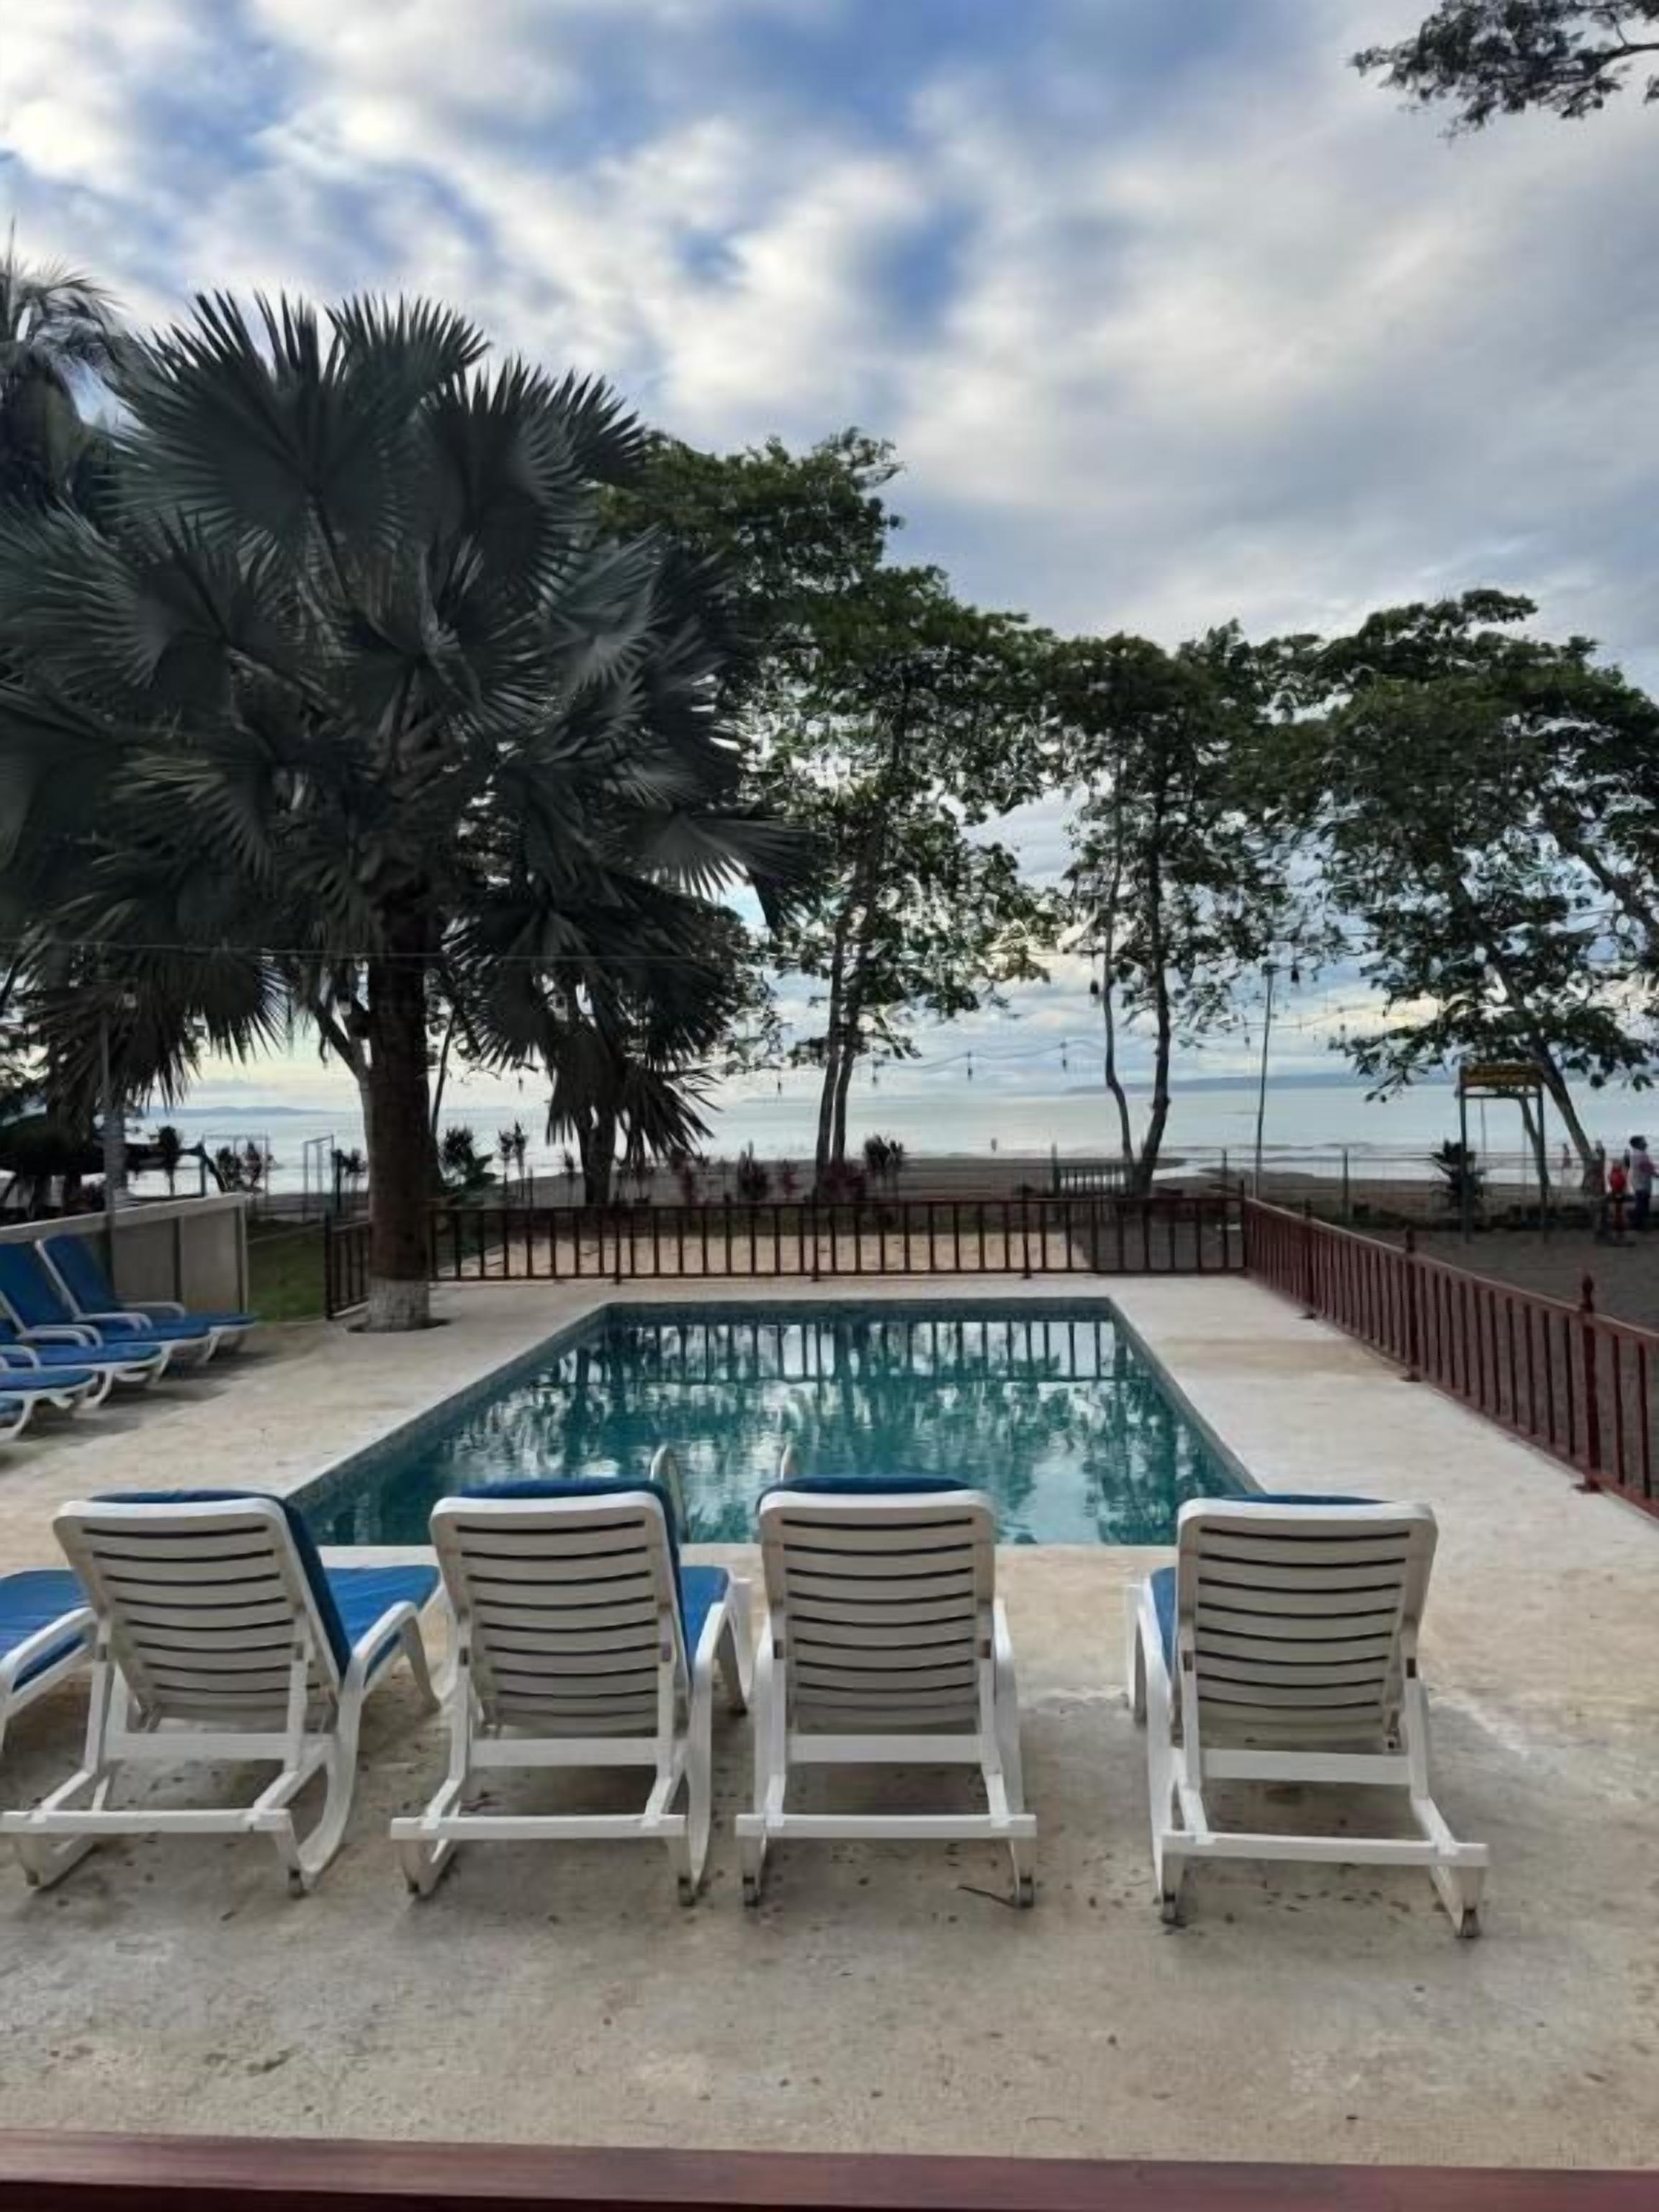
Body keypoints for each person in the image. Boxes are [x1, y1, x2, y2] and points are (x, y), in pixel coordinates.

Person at [1629, 1136, 1654, 1231]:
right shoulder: (1640, 1155)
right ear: (1638, 1144)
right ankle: (1639, 1225)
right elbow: (1645, 1167)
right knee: (1642, 1204)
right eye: (1644, 1142)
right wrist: (1655, 1174)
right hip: (1641, 1183)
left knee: (1642, 1203)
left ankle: (1639, 1224)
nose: (1646, 1143)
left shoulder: (1638, 1154)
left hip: (1640, 1182)